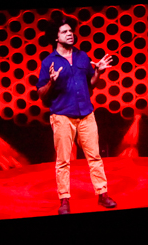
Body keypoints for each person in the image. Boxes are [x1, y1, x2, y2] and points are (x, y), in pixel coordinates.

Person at [36, 14, 118, 215]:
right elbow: (41, 95)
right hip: (62, 116)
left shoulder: (82, 56)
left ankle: (102, 194)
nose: (70, 34)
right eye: (64, 32)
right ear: (56, 38)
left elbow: (91, 86)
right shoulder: (49, 62)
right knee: (63, 161)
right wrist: (52, 82)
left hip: (86, 115)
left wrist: (98, 72)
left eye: (71, 31)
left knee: (95, 157)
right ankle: (64, 200)